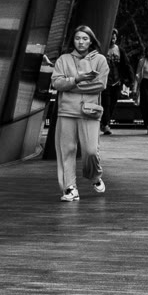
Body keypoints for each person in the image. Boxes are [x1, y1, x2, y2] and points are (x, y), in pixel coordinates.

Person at [48, 27, 110, 202]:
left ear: (91, 41)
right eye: (77, 38)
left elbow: (101, 85)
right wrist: (76, 79)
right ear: (73, 40)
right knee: (66, 150)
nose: (81, 42)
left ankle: (95, 176)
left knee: (90, 151)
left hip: (90, 112)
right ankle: (70, 188)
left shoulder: (100, 60)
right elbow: (56, 83)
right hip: (66, 111)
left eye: (85, 38)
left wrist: (71, 86)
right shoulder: (63, 60)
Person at [102, 38, 127, 135]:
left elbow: (125, 64)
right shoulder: (103, 49)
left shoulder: (120, 50)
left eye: (114, 37)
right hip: (105, 81)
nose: (112, 38)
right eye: (111, 36)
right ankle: (106, 125)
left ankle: (105, 122)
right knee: (106, 103)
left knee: (113, 103)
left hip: (117, 81)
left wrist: (128, 79)